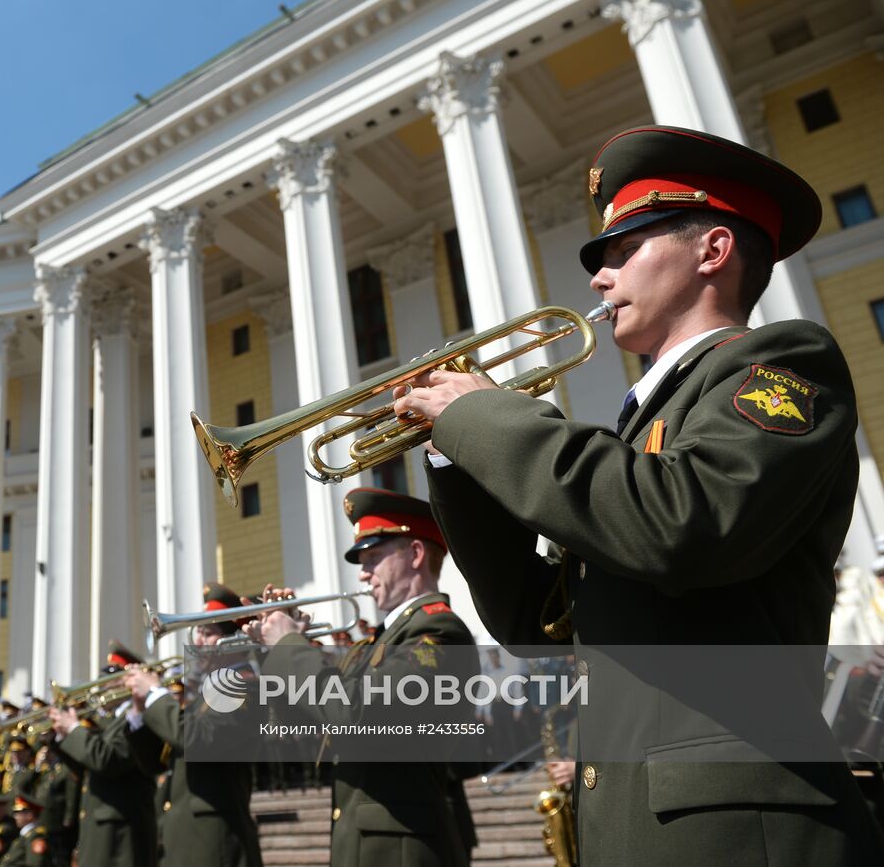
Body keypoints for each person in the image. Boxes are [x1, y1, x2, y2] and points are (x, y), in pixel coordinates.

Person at [394, 124, 884, 864]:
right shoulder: (635, 433)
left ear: (712, 250)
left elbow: (679, 523)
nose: (598, 277)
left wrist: (486, 415)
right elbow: (536, 623)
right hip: (630, 822)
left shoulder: (781, 364)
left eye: (623, 251)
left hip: (739, 830)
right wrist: (455, 457)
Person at [249, 487, 480, 866]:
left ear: (416, 554)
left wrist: (291, 645)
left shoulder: (438, 632)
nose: (363, 574)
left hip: (402, 849)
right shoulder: (378, 642)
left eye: (373, 557)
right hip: (365, 843)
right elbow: (301, 726)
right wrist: (276, 651)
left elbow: (354, 715)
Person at [122, 582, 262, 867]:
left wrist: (157, 695)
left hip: (216, 843)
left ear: (232, 640)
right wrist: (139, 713)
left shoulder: (242, 683)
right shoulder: (207, 692)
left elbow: (196, 739)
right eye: (198, 630)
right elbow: (157, 763)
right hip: (186, 839)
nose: (197, 640)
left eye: (207, 632)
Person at [48, 641, 158, 867]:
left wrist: (73, 730)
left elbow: (107, 760)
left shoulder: (139, 718)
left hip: (122, 833)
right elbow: (86, 767)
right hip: (98, 828)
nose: (104, 685)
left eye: (113, 679)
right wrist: (61, 736)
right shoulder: (110, 720)